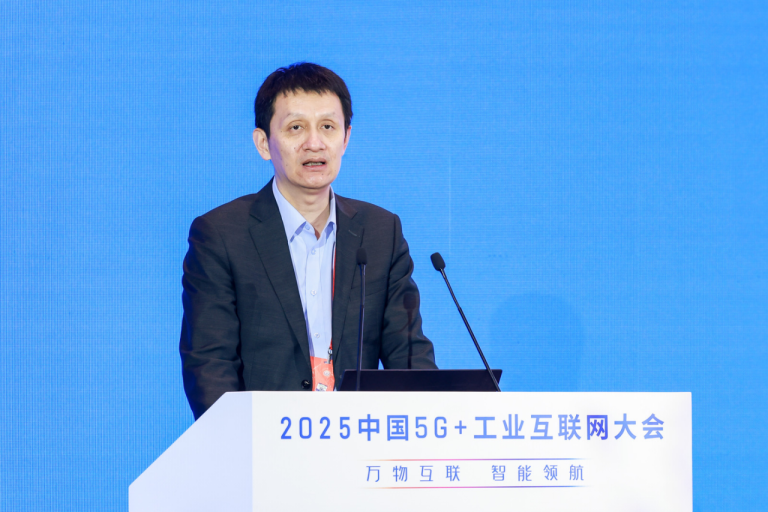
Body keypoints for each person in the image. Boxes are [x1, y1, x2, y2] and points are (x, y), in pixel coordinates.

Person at [180, 62, 437, 419]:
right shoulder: (222, 235)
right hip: (264, 440)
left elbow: (410, 359)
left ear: (346, 138)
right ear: (263, 143)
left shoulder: (381, 232)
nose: (314, 143)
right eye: (295, 127)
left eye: (328, 127)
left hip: (359, 439)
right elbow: (210, 366)